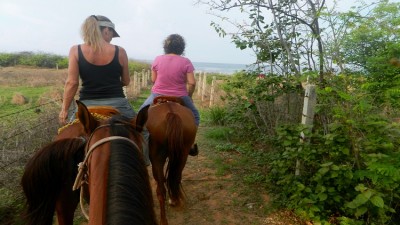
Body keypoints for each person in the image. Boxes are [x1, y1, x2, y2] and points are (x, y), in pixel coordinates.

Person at [59, 15, 135, 125]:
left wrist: (64, 110)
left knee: (66, 136)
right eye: (112, 34)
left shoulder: (75, 50)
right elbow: (126, 81)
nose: (112, 38)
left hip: (87, 105)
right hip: (118, 104)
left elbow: (72, 83)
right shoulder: (120, 51)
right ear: (106, 30)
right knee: (143, 131)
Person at [139, 34, 200, 163]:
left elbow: (154, 79)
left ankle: (142, 147)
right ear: (182, 48)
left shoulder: (157, 59)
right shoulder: (186, 61)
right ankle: (189, 144)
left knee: (140, 114)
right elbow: (192, 83)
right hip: (180, 95)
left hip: (157, 94)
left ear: (165, 47)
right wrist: (189, 95)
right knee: (195, 115)